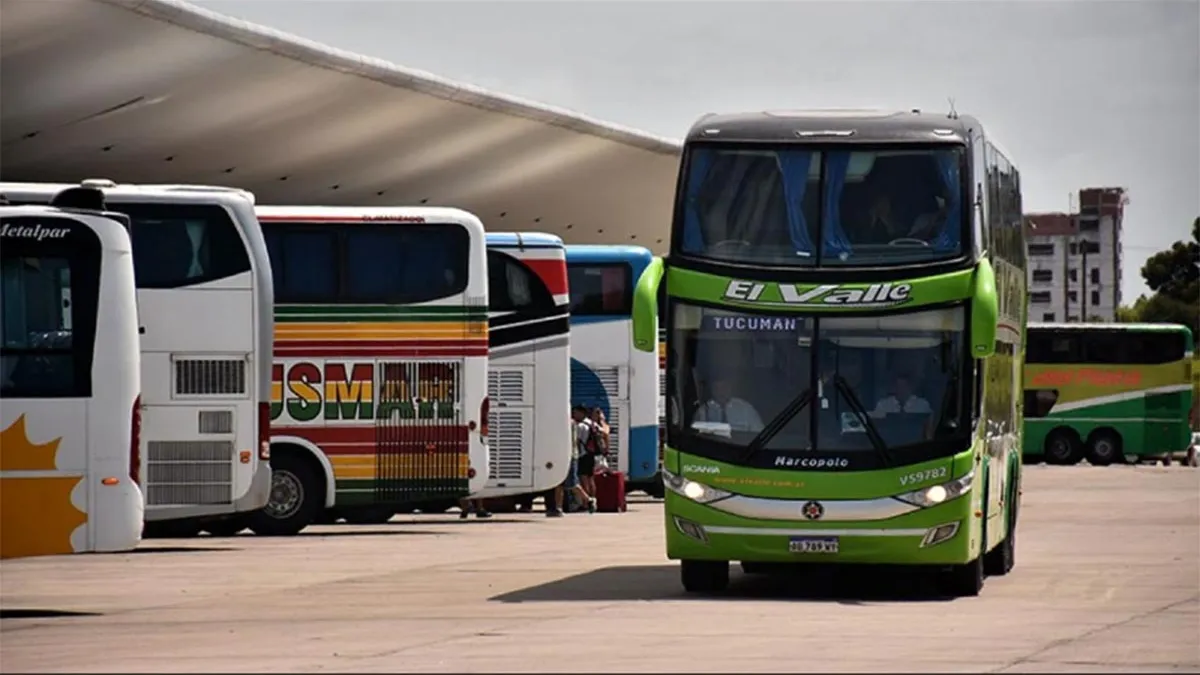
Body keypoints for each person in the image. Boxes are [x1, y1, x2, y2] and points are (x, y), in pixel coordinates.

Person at [694, 376, 764, 433]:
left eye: (723, 388)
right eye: (716, 388)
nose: (720, 392)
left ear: (730, 388)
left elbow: (759, 433)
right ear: (712, 390)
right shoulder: (703, 411)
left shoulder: (746, 409)